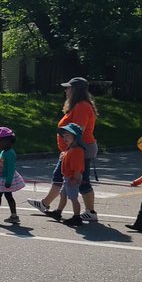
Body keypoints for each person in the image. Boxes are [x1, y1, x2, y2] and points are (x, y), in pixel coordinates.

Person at [28, 77, 99, 221]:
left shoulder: (81, 106)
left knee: (80, 181)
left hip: (79, 150)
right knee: (61, 177)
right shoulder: (78, 105)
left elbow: (78, 131)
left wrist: (69, 151)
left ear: (76, 90)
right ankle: (46, 204)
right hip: (72, 150)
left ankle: (90, 212)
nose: (66, 90)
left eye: (68, 88)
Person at [53, 123, 87, 225]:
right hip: (67, 177)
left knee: (73, 198)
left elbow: (77, 167)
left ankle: (77, 217)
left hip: (72, 178)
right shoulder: (70, 148)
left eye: (68, 135)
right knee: (63, 194)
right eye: (64, 136)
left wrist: (75, 179)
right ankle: (58, 212)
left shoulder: (77, 151)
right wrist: (64, 155)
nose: (65, 137)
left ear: (75, 137)